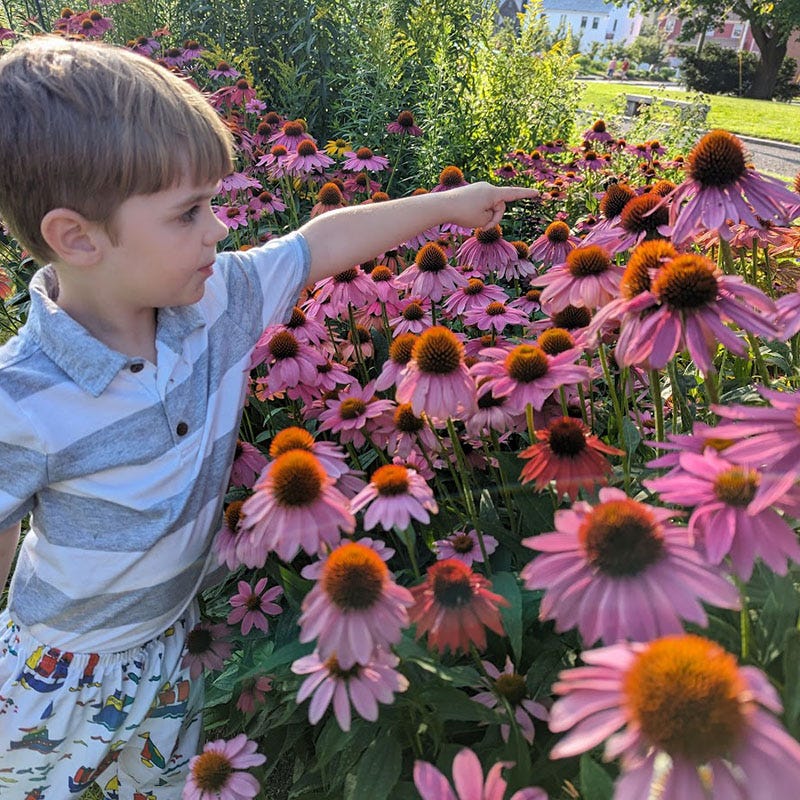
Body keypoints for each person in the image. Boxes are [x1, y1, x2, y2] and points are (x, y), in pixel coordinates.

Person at [0, 36, 535, 797]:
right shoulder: (20, 398)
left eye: (214, 204)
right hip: (58, 673)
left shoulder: (218, 304)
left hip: (174, 646)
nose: (219, 230)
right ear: (77, 238)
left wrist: (447, 207)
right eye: (189, 213)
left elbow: (317, 243)